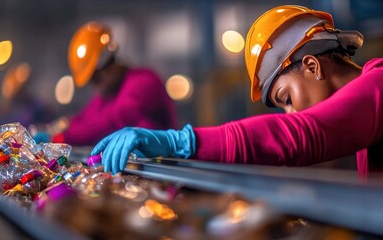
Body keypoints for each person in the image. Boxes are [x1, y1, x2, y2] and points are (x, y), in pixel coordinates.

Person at [91, 5, 383, 178]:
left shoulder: (378, 84)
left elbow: (300, 134)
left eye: (287, 99)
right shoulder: (365, 115)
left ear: (311, 65)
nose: (291, 114)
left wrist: (181, 142)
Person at [34, 22, 178, 146]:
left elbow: (108, 121)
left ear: (108, 62)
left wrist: (60, 137)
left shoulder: (144, 82)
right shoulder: (110, 93)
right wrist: (58, 127)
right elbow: (86, 118)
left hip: (164, 170)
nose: (95, 86)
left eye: (95, 79)